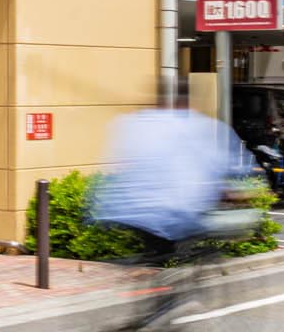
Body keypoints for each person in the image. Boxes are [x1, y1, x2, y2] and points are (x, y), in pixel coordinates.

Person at [90, 86, 253, 310]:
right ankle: (165, 307)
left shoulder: (134, 123)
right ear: (186, 104)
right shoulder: (197, 126)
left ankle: (152, 287)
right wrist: (235, 194)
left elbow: (118, 162)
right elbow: (217, 165)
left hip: (125, 208)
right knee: (187, 243)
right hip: (171, 210)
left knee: (156, 253)